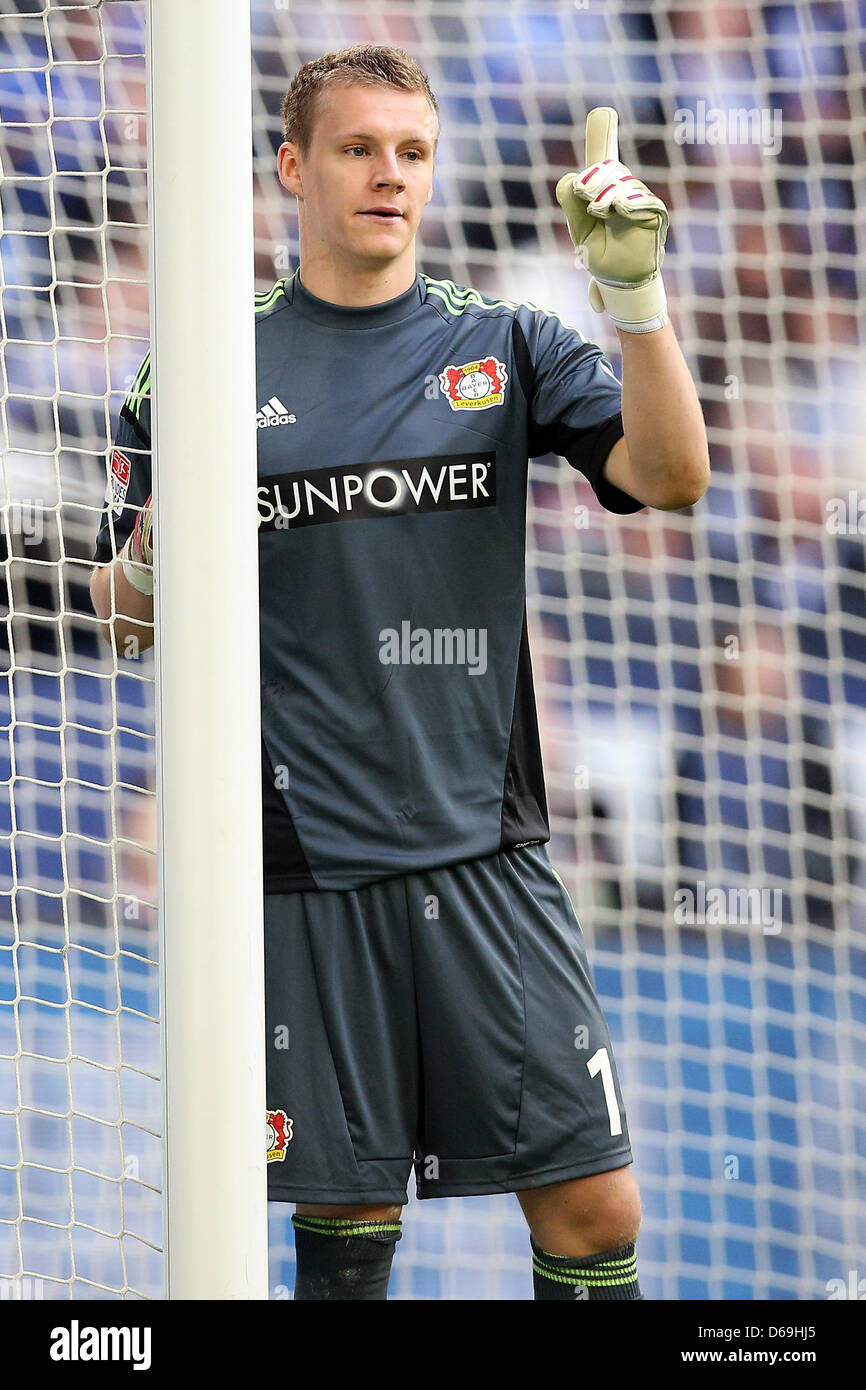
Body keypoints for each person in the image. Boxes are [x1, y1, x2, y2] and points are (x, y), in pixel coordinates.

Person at [90, 44, 709, 1301]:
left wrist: (633, 303)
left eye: (412, 153)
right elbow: (124, 620)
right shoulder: (199, 367)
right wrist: (159, 541)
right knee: (350, 1213)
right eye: (358, 149)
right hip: (304, 860)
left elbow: (668, 477)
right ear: (289, 167)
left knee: (592, 1206)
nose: (390, 176)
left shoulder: (508, 343)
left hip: (486, 850)